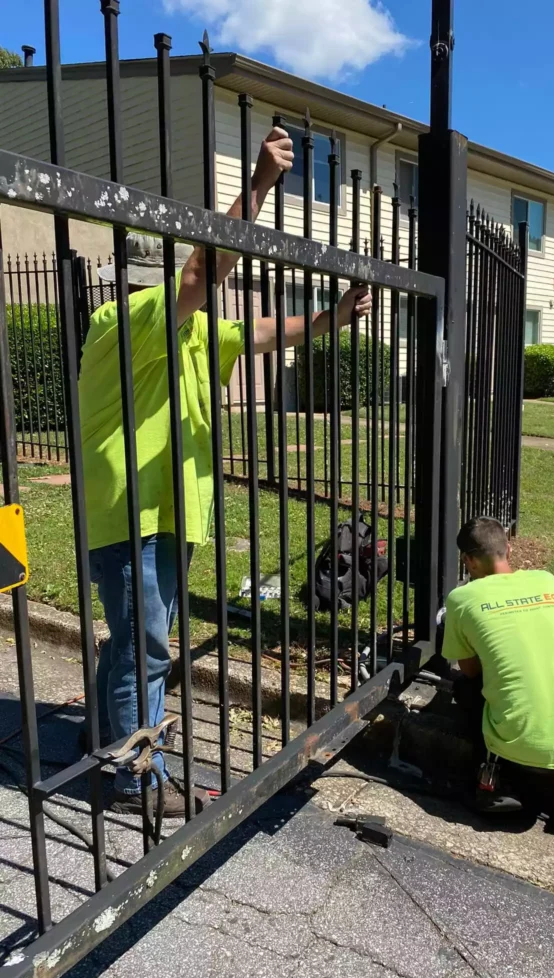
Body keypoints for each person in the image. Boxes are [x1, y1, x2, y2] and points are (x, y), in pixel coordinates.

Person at [79, 126, 372, 816]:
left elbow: (265, 332)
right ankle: (132, 781)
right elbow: (201, 275)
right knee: (147, 649)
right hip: (133, 515)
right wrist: (261, 185)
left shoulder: (190, 334)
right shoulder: (124, 323)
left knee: (132, 641)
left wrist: (331, 318)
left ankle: (100, 741)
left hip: (170, 511)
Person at [441, 517, 554, 841]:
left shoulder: (462, 599)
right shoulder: (548, 581)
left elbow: (469, 671)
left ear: (468, 560)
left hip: (520, 738)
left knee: (465, 689)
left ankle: (497, 780)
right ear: (508, 548)